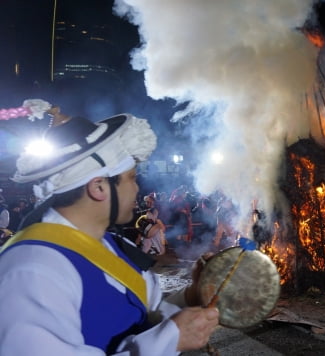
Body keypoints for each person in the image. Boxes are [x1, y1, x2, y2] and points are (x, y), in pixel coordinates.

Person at [0, 109, 219, 354]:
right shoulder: (33, 270)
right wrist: (169, 339)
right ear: (99, 187)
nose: (136, 189)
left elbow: (144, 315)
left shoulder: (113, 245)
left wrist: (192, 295)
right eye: (131, 178)